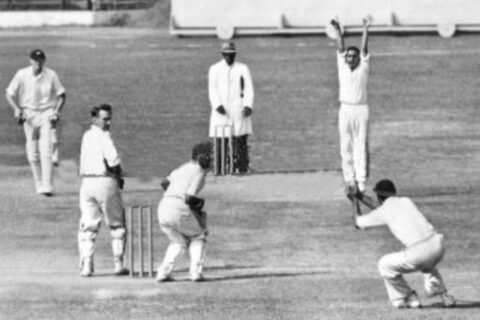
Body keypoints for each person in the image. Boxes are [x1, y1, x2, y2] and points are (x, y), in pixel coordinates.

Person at [353, 179, 456, 308]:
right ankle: (444, 296)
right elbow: (384, 209)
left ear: (379, 196)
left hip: (420, 254)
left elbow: (358, 222)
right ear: (394, 193)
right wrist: (361, 196)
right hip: (438, 246)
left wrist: (354, 200)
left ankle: (409, 297)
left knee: (384, 265)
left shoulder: (385, 211)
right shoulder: (406, 201)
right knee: (428, 262)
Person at [5, 49, 66, 196]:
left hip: (46, 114)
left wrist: (56, 112)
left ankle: (47, 185)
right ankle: (38, 183)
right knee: (33, 151)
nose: (38, 64)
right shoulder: (22, 74)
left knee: (46, 150)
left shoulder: (51, 74)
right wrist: (16, 109)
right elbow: (8, 93)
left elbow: (62, 95)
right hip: (30, 116)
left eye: (41, 61)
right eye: (36, 61)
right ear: (30, 61)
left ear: (44, 61)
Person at [77, 104, 128, 277]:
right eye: (105, 119)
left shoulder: (86, 136)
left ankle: (86, 266)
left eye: (109, 118)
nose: (109, 122)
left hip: (87, 183)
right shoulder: (104, 137)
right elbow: (113, 161)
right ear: (95, 119)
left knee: (88, 226)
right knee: (116, 224)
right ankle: (118, 264)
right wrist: (119, 177)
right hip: (105, 181)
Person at [156, 142, 212, 282]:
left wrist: (174, 194)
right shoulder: (199, 171)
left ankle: (163, 272)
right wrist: (199, 204)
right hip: (179, 208)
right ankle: (195, 273)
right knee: (198, 236)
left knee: (178, 241)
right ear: (200, 157)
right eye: (210, 157)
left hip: (163, 208)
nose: (211, 161)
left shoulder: (181, 169)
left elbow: (164, 183)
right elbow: (189, 198)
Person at [331, 17, 371, 195]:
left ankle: (361, 181)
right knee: (345, 144)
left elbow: (364, 49)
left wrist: (365, 28)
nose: (349, 58)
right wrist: (337, 29)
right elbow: (340, 46)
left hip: (361, 109)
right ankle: (349, 179)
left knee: (360, 144)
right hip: (345, 109)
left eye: (353, 56)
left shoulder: (364, 67)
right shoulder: (342, 66)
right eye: (348, 56)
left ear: (358, 59)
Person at [208, 42, 254, 174]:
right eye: (227, 55)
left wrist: (248, 105)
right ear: (222, 55)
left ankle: (241, 169)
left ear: (235, 54)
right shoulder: (214, 69)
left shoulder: (242, 68)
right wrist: (217, 105)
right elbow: (212, 89)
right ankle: (219, 169)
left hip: (238, 110)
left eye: (232, 55)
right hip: (222, 111)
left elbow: (248, 88)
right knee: (220, 141)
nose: (229, 58)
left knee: (240, 141)